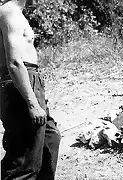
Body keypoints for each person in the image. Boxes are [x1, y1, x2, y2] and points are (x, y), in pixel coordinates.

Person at [0, 0, 61, 179]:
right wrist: (32, 103)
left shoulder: (13, 13)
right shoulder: (9, 12)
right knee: (24, 161)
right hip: (21, 81)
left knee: (50, 138)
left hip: (26, 80)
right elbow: (14, 62)